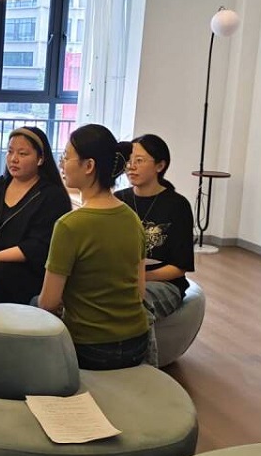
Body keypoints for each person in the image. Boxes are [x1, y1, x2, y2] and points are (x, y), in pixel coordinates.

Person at [38, 124, 150, 370]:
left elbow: (48, 302)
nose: (61, 163)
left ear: (89, 166)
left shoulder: (69, 225)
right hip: (138, 342)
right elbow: (140, 292)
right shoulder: (132, 218)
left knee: (33, 304)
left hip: (90, 347)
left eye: (66, 156)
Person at [0, 126, 72, 305]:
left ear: (40, 159)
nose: (13, 159)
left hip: (23, 276)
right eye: (10, 152)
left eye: (22, 154)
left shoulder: (52, 196)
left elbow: (38, 246)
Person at [115, 134, 195, 321]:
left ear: (160, 166)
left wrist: (140, 278)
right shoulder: (118, 200)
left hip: (163, 283)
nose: (131, 166)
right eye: (129, 161)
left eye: (139, 161)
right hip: (121, 280)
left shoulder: (177, 205)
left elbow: (180, 267)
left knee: (130, 303)